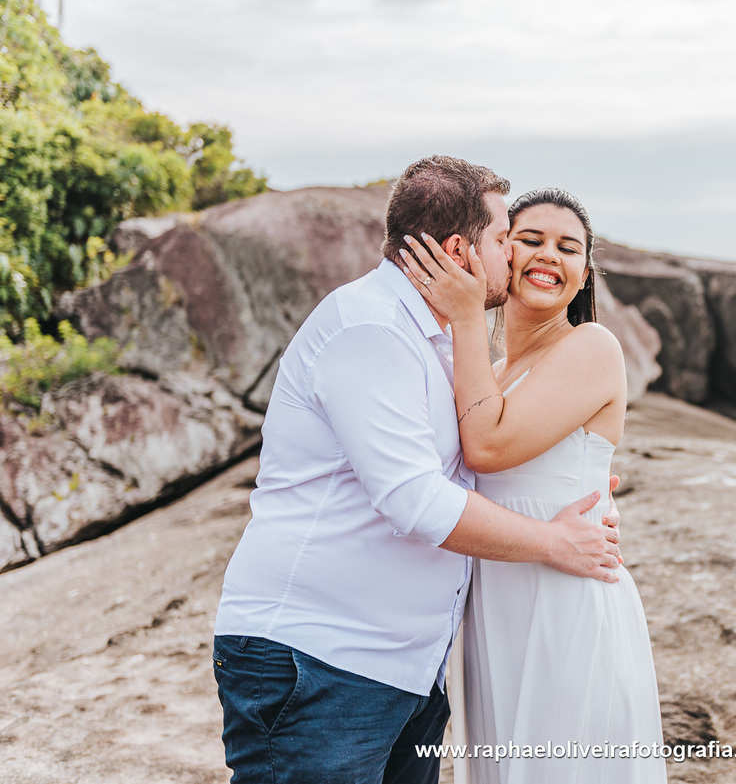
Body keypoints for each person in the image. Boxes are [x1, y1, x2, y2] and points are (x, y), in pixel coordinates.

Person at [211, 158, 624, 784]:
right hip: (321, 660)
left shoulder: (436, 341)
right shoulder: (372, 328)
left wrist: (578, 484)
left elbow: (481, 456)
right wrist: (552, 539)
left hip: (402, 670)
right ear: (461, 249)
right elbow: (415, 498)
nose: (512, 256)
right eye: (504, 239)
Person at [399, 187, 668, 783]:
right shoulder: (490, 375)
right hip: (494, 603)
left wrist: (467, 314)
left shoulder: (593, 346)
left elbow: (489, 448)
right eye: (529, 239)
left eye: (569, 247)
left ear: (583, 276)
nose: (550, 255)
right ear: (499, 255)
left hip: (564, 599)